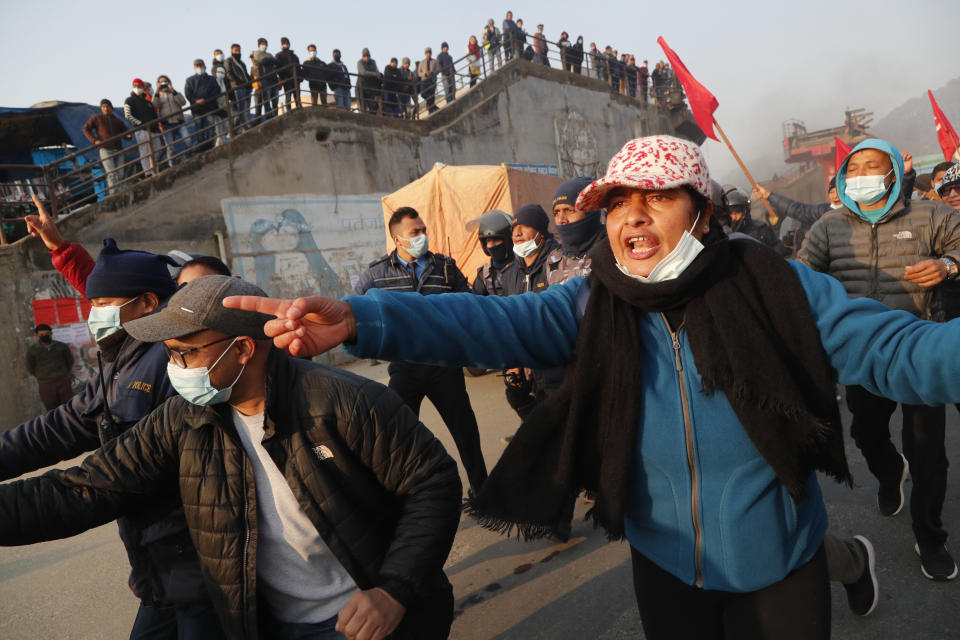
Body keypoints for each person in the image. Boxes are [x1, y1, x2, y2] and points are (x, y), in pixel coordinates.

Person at [232, 134, 960, 638]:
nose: (631, 217)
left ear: (701, 214)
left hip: (777, 562)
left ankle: (846, 559)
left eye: (656, 199)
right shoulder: (592, 300)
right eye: (615, 204)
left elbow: (908, 353)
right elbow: (487, 326)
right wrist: (361, 317)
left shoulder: (774, 284)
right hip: (665, 559)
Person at [0, 275, 462, 640]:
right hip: (266, 623)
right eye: (168, 354)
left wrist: (394, 589)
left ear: (242, 349)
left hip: (363, 621)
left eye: (185, 353)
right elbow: (87, 487)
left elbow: (433, 483)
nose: (173, 367)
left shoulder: (342, 401)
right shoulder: (182, 419)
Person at [5, 208, 225, 638]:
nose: (96, 312)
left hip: (200, 567)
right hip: (158, 569)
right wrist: (63, 251)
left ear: (148, 303)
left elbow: (108, 481)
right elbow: (54, 430)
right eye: (94, 303)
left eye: (104, 304)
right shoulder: (118, 359)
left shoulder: (173, 361)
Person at [800, 138, 960, 582]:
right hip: (858, 354)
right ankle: (890, 474)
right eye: (854, 168)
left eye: (873, 165)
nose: (862, 175)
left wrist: (948, 265)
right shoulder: (829, 227)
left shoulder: (932, 215)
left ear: (892, 173)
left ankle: (930, 537)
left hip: (919, 348)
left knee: (927, 452)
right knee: (866, 433)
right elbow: (802, 273)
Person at [352, 207, 487, 495]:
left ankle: (482, 492)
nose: (423, 236)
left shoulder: (445, 267)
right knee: (398, 436)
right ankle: (402, 499)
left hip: (444, 365)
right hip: (404, 367)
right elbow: (354, 311)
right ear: (398, 239)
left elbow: (471, 305)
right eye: (415, 232)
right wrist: (378, 341)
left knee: (465, 431)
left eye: (423, 230)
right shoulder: (377, 274)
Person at [546, 176, 605, 286]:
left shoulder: (613, 252)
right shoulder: (554, 259)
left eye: (568, 210)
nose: (561, 220)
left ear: (590, 211)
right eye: (556, 213)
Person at [82, 99, 130, 195]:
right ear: (101, 109)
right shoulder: (97, 118)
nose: (106, 108)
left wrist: (128, 136)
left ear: (111, 108)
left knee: (120, 173)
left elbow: (126, 132)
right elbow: (85, 129)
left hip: (118, 149)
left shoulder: (117, 121)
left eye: (107, 106)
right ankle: (114, 194)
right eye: (103, 107)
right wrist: (95, 140)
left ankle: (120, 192)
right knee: (112, 173)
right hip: (105, 149)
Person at [469, 209, 517, 296]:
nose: (492, 244)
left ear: (508, 240)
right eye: (489, 240)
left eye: (497, 239)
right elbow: (475, 302)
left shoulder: (522, 267)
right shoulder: (484, 274)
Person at [26, 324, 74, 411]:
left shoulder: (61, 346)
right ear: (37, 336)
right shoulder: (32, 351)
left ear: (51, 333)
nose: (44, 336)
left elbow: (70, 361)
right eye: (41, 335)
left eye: (47, 334)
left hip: (63, 381)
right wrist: (42, 376)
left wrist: (64, 373)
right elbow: (30, 367)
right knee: (52, 410)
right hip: (46, 384)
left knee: (69, 406)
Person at [724, 187, 786, 254]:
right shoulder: (726, 235)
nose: (733, 217)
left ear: (745, 211)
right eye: (730, 214)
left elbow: (777, 247)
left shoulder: (761, 229)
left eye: (736, 213)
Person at [123, 78, 159, 177]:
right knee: (145, 152)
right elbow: (128, 115)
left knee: (156, 151)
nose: (137, 88)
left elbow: (155, 116)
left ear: (143, 88)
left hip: (154, 130)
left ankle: (156, 170)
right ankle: (148, 173)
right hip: (141, 130)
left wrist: (157, 129)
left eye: (139, 86)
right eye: (135, 86)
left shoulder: (148, 102)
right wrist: (140, 124)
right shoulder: (129, 100)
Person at [184, 59, 220, 152]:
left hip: (209, 107)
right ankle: (202, 148)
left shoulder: (212, 79)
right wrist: (196, 101)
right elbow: (188, 94)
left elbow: (217, 90)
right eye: (197, 66)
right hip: (197, 109)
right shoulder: (190, 80)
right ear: (194, 68)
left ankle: (210, 146)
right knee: (199, 129)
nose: (199, 67)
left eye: (200, 65)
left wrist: (206, 100)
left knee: (211, 128)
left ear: (205, 66)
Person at [153, 75, 189, 168]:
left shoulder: (175, 93)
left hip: (179, 121)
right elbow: (155, 106)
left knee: (187, 140)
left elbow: (183, 103)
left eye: (165, 81)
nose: (163, 83)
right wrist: (157, 92)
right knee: (170, 147)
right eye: (161, 82)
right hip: (167, 124)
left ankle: (187, 158)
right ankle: (172, 165)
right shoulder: (157, 95)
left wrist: (173, 91)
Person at [224, 43, 252, 128]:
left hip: (245, 87)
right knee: (240, 109)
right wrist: (237, 82)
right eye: (236, 50)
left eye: (239, 50)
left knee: (246, 108)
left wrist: (250, 83)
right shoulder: (229, 61)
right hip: (237, 86)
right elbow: (228, 73)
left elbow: (245, 74)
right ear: (231, 51)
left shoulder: (242, 63)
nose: (238, 52)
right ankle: (240, 128)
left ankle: (245, 125)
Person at [252, 38, 280, 121]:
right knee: (266, 99)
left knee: (275, 99)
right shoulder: (256, 53)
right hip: (264, 78)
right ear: (259, 45)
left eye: (265, 44)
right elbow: (262, 61)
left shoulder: (269, 54)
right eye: (262, 44)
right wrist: (271, 60)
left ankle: (275, 115)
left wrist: (271, 60)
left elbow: (277, 62)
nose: (264, 46)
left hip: (273, 78)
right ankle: (269, 115)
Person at [275, 37, 302, 111]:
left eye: (287, 43)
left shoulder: (294, 56)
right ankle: (289, 112)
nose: (286, 45)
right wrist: (283, 77)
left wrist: (300, 78)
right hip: (286, 79)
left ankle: (299, 111)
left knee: (297, 97)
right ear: (282, 44)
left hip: (296, 79)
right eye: (284, 43)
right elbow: (278, 68)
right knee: (288, 97)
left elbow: (298, 68)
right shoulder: (279, 55)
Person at [357, 48, 381, 114]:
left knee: (373, 105)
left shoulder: (373, 62)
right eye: (365, 56)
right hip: (361, 86)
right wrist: (374, 74)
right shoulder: (360, 62)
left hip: (370, 87)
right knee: (362, 106)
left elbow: (377, 71)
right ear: (363, 57)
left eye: (368, 56)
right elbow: (363, 72)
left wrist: (376, 74)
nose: (367, 57)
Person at [212, 65, 231, 146]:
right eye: (219, 72)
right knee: (218, 128)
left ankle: (222, 142)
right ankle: (219, 144)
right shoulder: (214, 82)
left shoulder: (223, 83)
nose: (221, 74)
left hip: (224, 107)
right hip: (217, 107)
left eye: (222, 73)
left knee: (225, 126)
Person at [416, 48, 438, 114]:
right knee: (423, 93)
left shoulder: (434, 61)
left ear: (431, 53)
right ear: (425, 54)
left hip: (432, 80)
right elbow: (419, 73)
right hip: (424, 81)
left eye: (429, 53)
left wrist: (432, 72)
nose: (428, 54)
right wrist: (425, 74)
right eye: (427, 53)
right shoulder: (422, 62)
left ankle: (431, 110)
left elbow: (438, 70)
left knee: (432, 95)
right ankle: (433, 106)